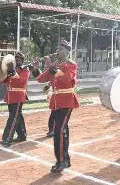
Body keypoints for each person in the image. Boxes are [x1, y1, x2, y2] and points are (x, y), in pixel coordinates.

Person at [32, 40, 79, 173]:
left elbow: (66, 79)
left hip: (67, 101)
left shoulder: (71, 65)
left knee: (58, 131)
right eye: (57, 48)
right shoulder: (54, 64)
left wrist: (49, 66)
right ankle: (65, 159)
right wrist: (35, 69)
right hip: (57, 101)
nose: (57, 50)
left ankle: (61, 161)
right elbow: (42, 79)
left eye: (61, 49)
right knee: (62, 131)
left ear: (67, 51)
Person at [0, 52, 30, 147]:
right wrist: (4, 72)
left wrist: (12, 72)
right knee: (18, 116)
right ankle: (22, 135)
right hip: (10, 95)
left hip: (18, 96)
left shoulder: (25, 70)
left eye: (17, 60)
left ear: (22, 61)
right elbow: (3, 81)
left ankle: (7, 139)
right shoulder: (13, 70)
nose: (16, 62)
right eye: (14, 60)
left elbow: (21, 81)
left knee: (13, 118)